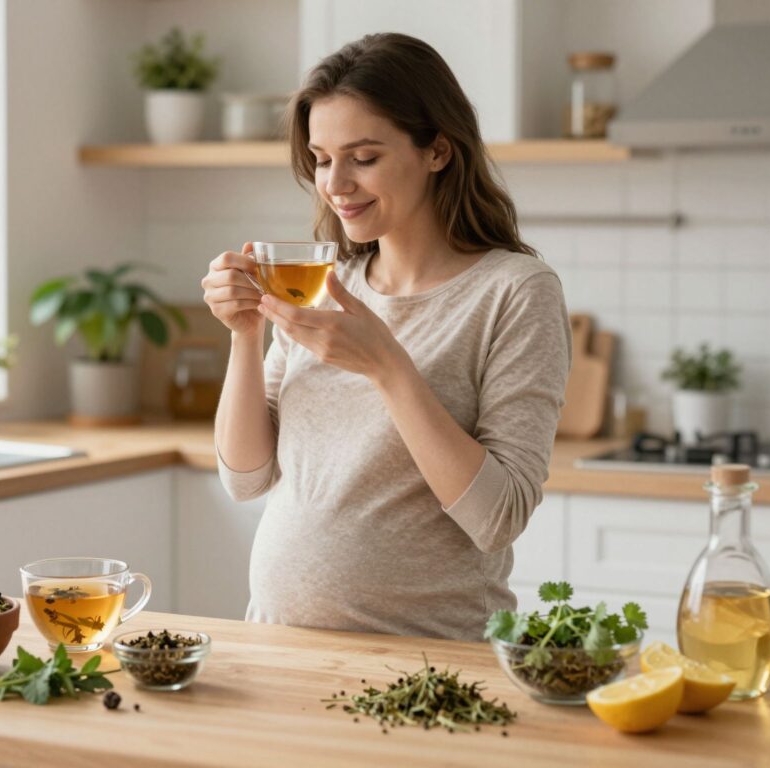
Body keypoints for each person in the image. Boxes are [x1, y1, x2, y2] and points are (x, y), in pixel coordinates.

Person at [200, 32, 571, 642]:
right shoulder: (323, 282)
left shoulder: (515, 292)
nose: (334, 183)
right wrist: (244, 336)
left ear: (438, 151)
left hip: (426, 661)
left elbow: (498, 516)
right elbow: (246, 477)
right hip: (277, 643)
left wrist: (388, 368)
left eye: (363, 157)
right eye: (321, 158)